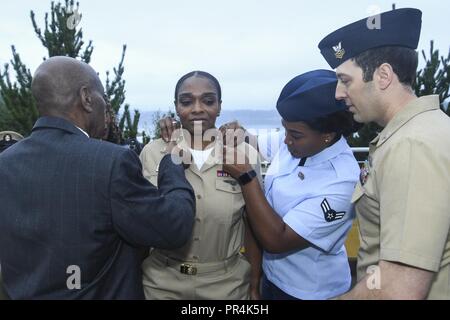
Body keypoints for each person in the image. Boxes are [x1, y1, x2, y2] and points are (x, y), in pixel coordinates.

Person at [0, 56, 196, 299]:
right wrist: (173, 161)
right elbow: (173, 227)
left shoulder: (5, 163)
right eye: (103, 97)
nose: (106, 106)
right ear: (86, 98)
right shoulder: (110, 162)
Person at [318, 8, 450, 299]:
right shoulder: (422, 131)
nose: (338, 93)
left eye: (345, 80)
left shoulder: (412, 146)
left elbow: (396, 289)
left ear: (383, 76)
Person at [220, 69, 360, 300]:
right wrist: (239, 132)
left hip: (308, 290)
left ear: (327, 135)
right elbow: (254, 142)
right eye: (285, 129)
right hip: (272, 276)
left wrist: (247, 179)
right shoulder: (298, 142)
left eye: (294, 134)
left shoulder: (342, 182)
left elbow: (278, 240)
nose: (286, 140)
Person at [140, 71, 263, 300]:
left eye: (208, 100)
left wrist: (254, 285)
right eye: (187, 101)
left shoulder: (244, 154)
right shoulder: (153, 152)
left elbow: (252, 225)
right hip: (161, 281)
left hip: (227, 285)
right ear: (176, 107)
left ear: (219, 106)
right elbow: (140, 219)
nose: (197, 108)